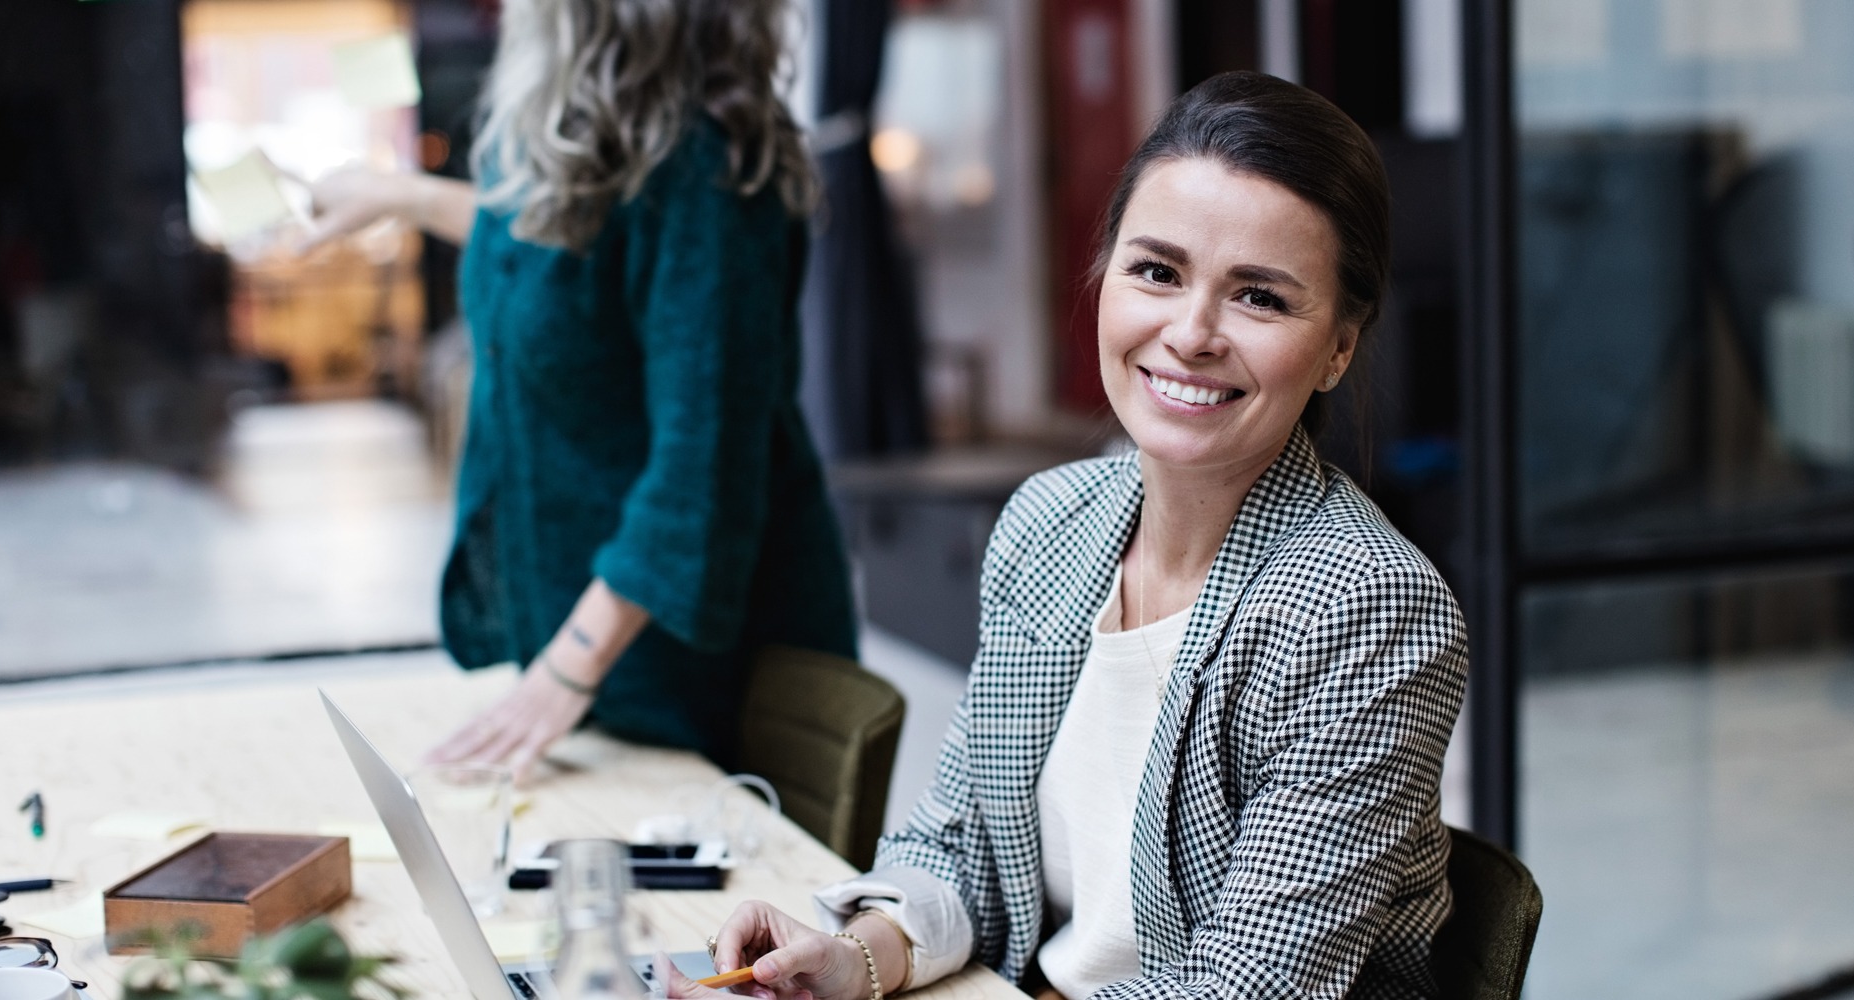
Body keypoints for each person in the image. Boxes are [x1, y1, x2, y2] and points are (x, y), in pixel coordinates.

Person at [662, 72, 1467, 1000]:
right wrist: (860, 954)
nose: (1192, 333)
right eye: (1157, 272)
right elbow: (963, 838)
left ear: (1338, 347)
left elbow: (1248, 986)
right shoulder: (1052, 523)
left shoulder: (1368, 608)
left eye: (1260, 298)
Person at [302, 0, 857, 779]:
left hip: (697, 674)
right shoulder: (600, 142)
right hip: (603, 651)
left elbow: (699, 475)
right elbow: (560, 248)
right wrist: (407, 196)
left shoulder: (706, 175)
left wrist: (564, 673)